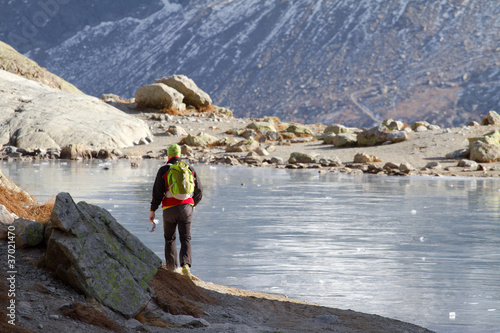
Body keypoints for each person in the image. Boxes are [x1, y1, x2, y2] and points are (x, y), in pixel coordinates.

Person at [149, 144, 203, 278]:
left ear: (168, 155)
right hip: (186, 208)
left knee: (169, 238)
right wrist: (192, 205)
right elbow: (200, 191)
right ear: (179, 154)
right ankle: (185, 265)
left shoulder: (164, 170)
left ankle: (172, 268)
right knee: (185, 238)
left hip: (169, 209)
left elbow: (157, 193)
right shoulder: (189, 168)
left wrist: (152, 210)